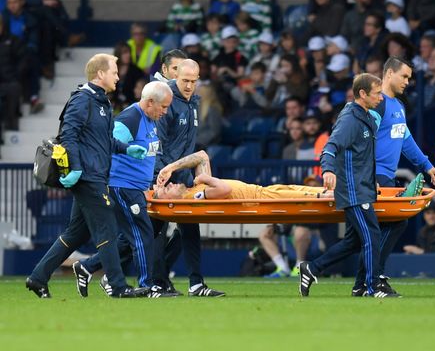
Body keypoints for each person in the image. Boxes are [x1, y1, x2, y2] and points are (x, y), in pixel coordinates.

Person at [25, 53, 149, 299]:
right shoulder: (82, 100)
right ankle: (118, 286)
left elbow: (102, 140)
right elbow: (69, 135)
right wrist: (77, 169)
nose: (117, 76)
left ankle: (37, 278)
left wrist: (126, 149)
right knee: (108, 229)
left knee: (76, 234)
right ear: (100, 74)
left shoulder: (101, 102)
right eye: (114, 72)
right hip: (88, 177)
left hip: (95, 174)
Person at [298, 73, 400, 298]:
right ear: (362, 94)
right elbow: (330, 147)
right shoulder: (349, 120)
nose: (381, 98)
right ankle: (372, 288)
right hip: (354, 190)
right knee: (372, 236)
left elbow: (362, 155)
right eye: (377, 94)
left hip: (363, 187)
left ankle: (313, 268)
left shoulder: (365, 116)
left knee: (354, 241)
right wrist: (327, 170)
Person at [72, 81, 173, 297]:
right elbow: (107, 146)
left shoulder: (150, 119)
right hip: (123, 186)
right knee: (144, 234)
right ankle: (148, 286)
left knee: (129, 238)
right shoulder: (130, 118)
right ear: (149, 102)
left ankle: (88, 266)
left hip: (136, 186)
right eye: (163, 107)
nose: (165, 112)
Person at [350, 56, 435, 297]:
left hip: (384, 175)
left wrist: (426, 164)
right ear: (388, 74)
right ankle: (374, 279)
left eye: (410, 77)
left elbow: (406, 140)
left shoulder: (397, 106)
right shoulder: (378, 104)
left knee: (372, 232)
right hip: (376, 176)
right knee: (394, 223)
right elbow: (362, 138)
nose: (408, 82)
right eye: (404, 76)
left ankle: (362, 282)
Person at [152, 59, 225, 297]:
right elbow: (158, 144)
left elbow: (189, 145)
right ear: (175, 77)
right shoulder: (167, 101)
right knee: (152, 233)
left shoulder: (193, 101)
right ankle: (96, 267)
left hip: (183, 179)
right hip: (164, 179)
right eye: (185, 81)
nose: (189, 86)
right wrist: (161, 176)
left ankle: (195, 283)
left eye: (194, 81)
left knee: (190, 229)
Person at [154, 151, 332, 200]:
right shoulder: (194, 196)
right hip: (261, 198)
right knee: (317, 196)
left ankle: (337, 193)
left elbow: (202, 156)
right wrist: (207, 178)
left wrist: (171, 167)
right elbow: (224, 189)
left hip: (263, 192)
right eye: (164, 190)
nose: (169, 184)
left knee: (311, 190)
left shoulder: (195, 188)